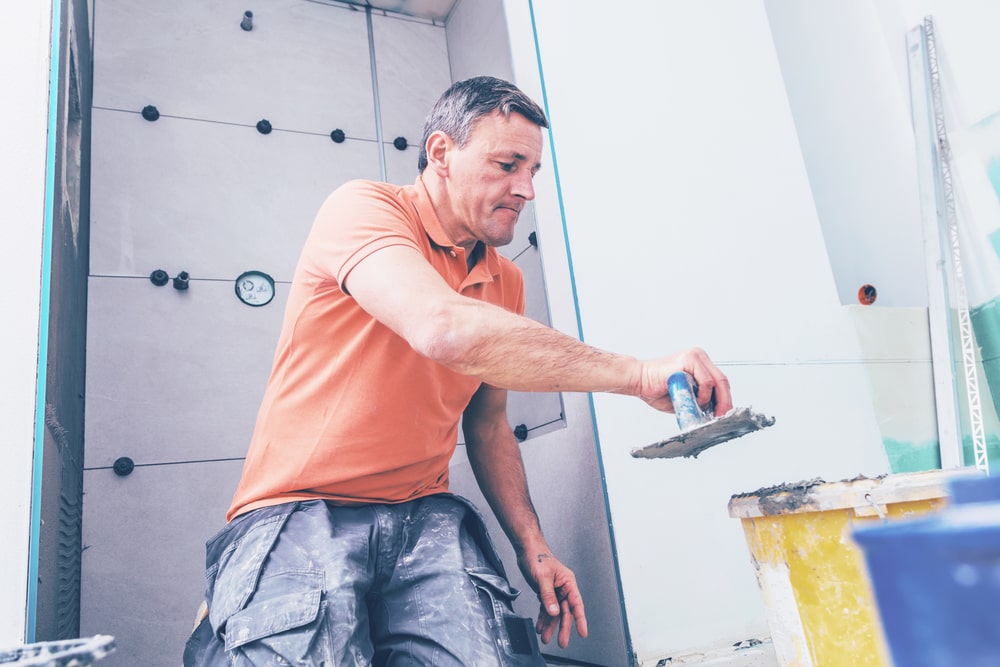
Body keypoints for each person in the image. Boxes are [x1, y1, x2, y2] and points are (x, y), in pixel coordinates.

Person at [183, 76, 732, 666]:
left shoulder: (506, 279)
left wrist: (535, 547)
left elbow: (489, 426)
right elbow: (441, 328)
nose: (525, 188)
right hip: (300, 509)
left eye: (533, 171)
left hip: (423, 515)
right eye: (507, 164)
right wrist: (637, 374)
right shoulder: (363, 208)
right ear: (441, 153)